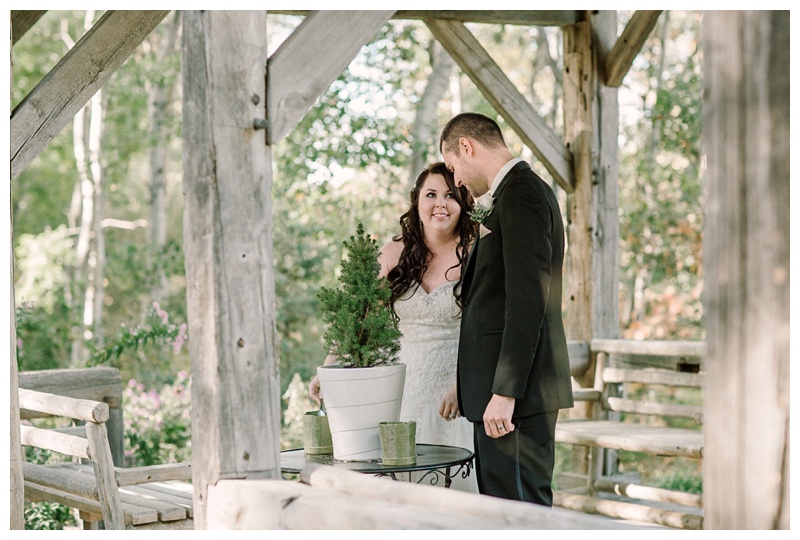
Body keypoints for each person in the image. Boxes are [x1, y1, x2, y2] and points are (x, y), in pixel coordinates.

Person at [309, 162, 479, 492]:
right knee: (401, 486)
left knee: (454, 489)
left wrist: (465, 384)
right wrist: (328, 370)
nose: (440, 204)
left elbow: (489, 328)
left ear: (463, 204)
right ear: (417, 201)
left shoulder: (476, 252)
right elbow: (355, 317)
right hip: (403, 386)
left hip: (456, 387)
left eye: (450, 195)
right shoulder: (393, 252)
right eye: (431, 194)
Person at [438, 112, 574, 506]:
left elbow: (529, 299)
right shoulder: (512, 194)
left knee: (520, 514)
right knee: (503, 513)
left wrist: (505, 391)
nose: (457, 180)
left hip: (516, 398)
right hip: (501, 396)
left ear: (467, 146)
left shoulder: (522, 194)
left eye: (453, 167)